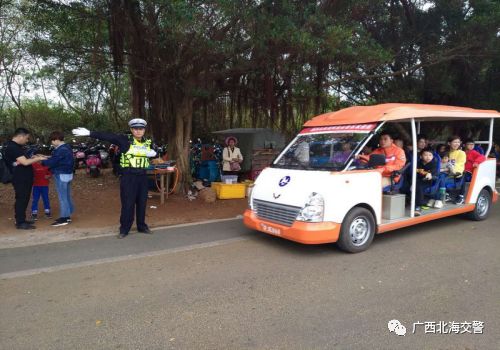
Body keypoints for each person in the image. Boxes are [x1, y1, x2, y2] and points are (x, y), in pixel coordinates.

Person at [72, 118, 157, 238]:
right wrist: (90, 133)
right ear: (131, 130)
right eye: (135, 129)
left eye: (141, 129)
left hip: (143, 175)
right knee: (128, 203)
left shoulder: (148, 141)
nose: (138, 131)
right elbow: (108, 136)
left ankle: (142, 226)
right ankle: (124, 229)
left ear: (144, 130)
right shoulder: (124, 140)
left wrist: (153, 153)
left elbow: (156, 153)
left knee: (142, 202)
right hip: (129, 175)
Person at [3, 128, 47, 229]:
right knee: (21, 199)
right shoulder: (13, 147)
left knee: (24, 198)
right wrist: (38, 158)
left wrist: (34, 157)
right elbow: (25, 162)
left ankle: (21, 219)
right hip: (20, 178)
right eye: (26, 138)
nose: (27, 140)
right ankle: (20, 222)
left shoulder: (17, 146)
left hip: (24, 177)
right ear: (20, 136)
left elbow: (24, 159)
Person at [41, 131, 75, 226]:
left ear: (56, 140)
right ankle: (67, 216)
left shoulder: (61, 150)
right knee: (67, 196)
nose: (51, 143)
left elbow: (53, 162)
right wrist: (47, 157)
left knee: (62, 197)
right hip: (67, 174)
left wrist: (42, 161)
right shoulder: (66, 147)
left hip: (61, 174)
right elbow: (57, 159)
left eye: (52, 140)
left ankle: (64, 218)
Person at [414, 148, 438, 216]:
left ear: (433, 156)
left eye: (430, 155)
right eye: (426, 155)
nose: (428, 157)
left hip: (429, 181)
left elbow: (433, 173)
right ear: (421, 156)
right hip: (418, 180)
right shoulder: (418, 163)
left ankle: (418, 206)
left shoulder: (434, 164)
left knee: (419, 187)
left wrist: (429, 175)